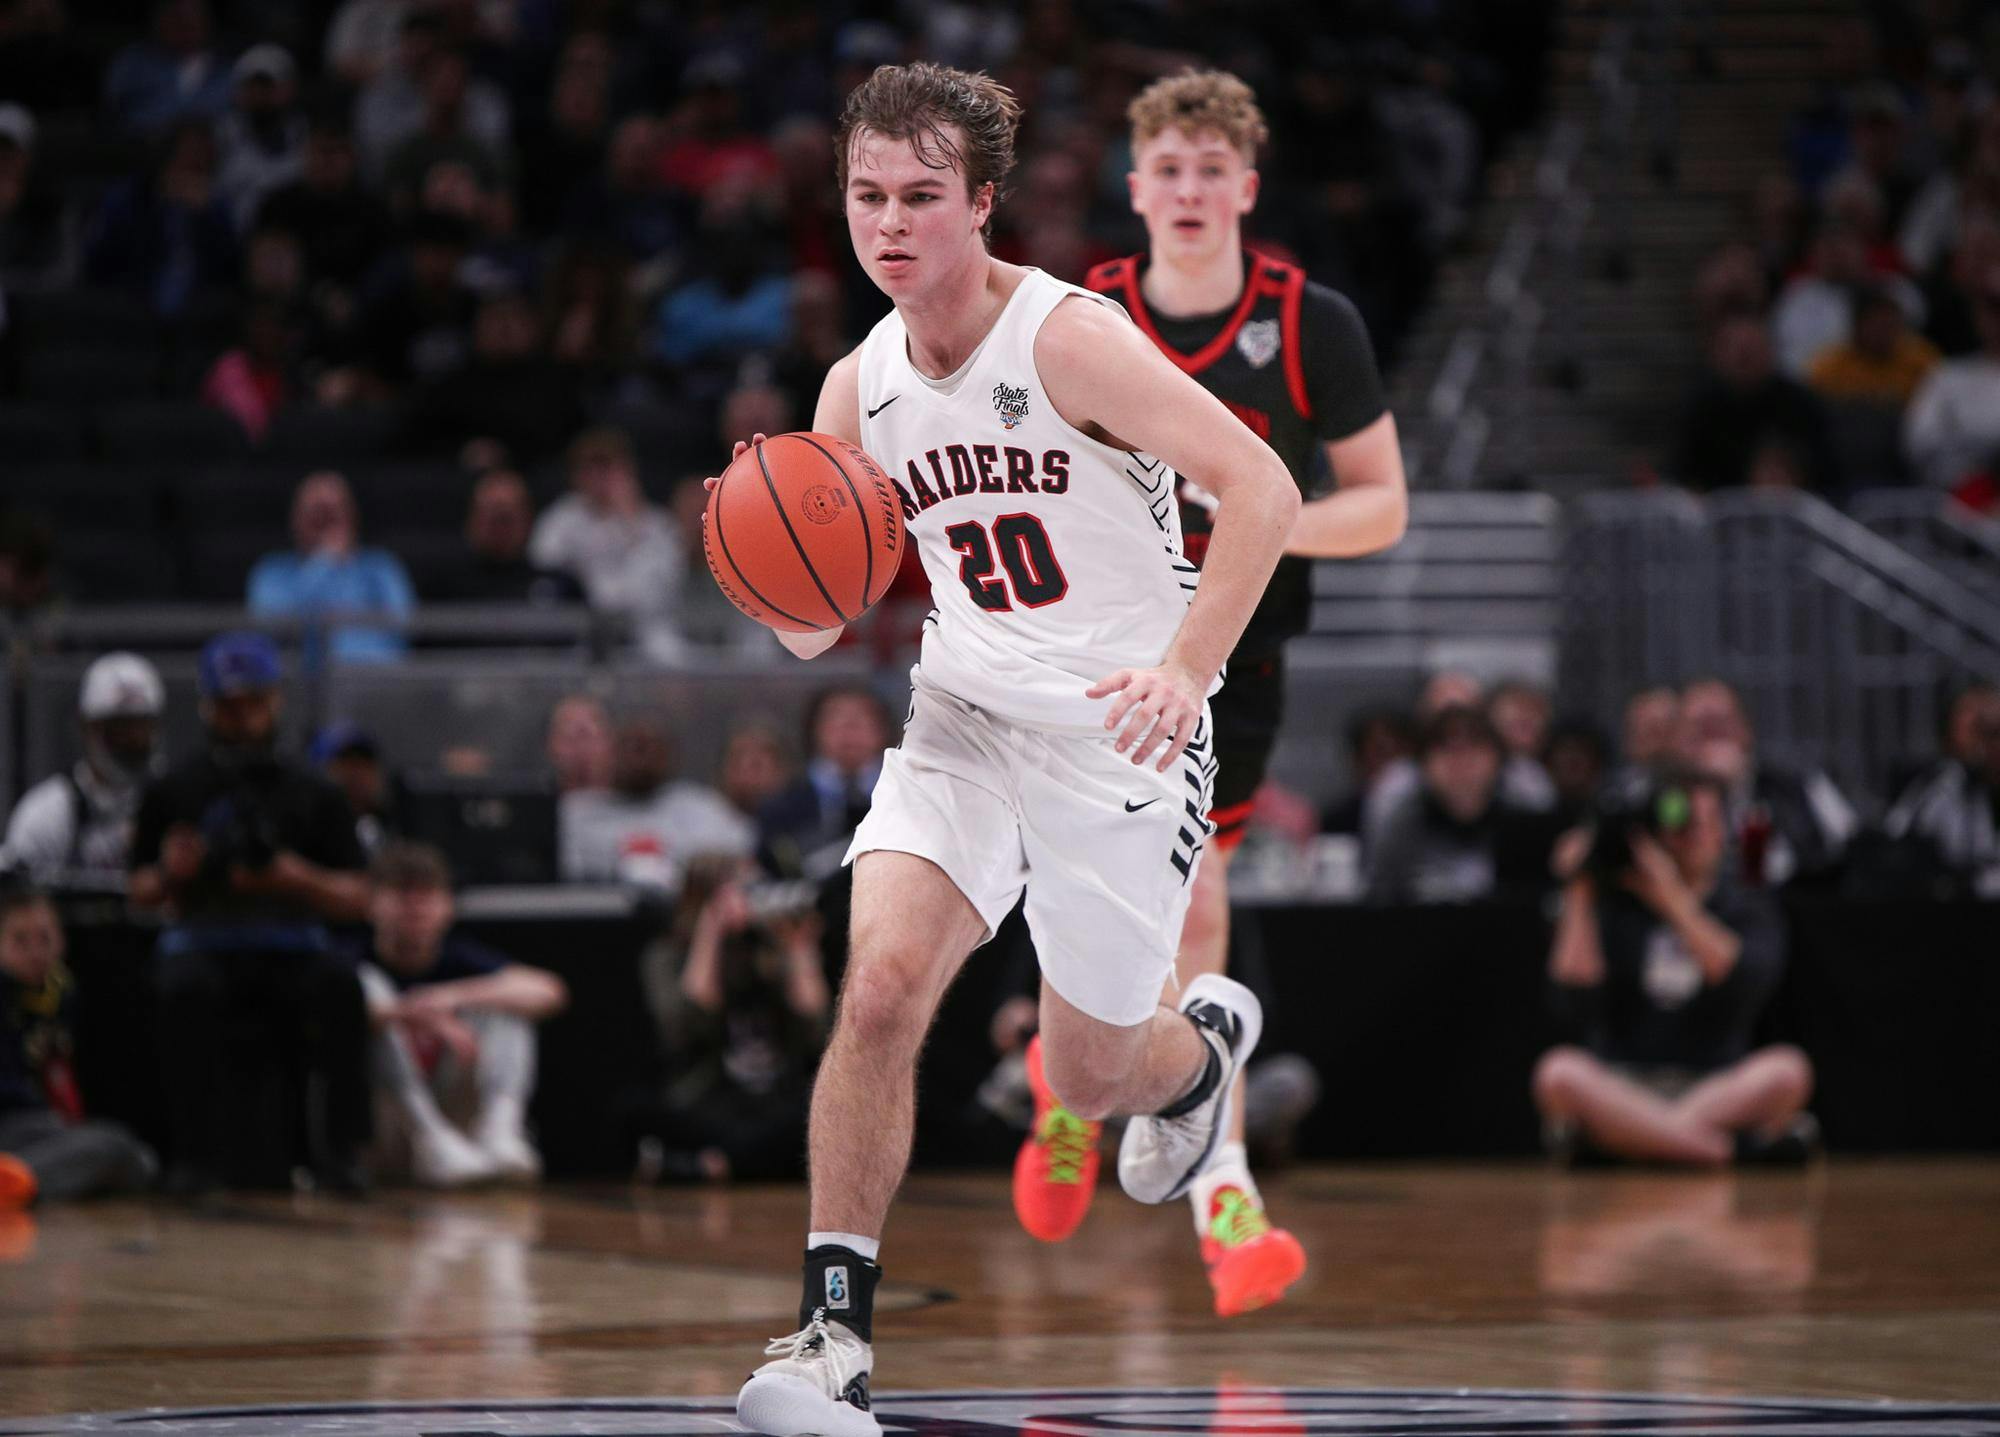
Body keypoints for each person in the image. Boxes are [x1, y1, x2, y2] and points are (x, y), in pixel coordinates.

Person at [724, 63, 1300, 1437]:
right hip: (966, 718)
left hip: (1117, 733)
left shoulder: (1069, 342)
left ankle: (1198, 1063)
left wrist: (1185, 669)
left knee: (1089, 1076)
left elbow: (1263, 487)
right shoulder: (855, 385)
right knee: (879, 990)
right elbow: (817, 628)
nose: (890, 223)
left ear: (982, 203)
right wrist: (758, 550)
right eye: (867, 196)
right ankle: (830, 1341)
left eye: (921, 195)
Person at [1000, 69, 1406, 1315]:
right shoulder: (1082, 316)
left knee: (1173, 901)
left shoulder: (1310, 323)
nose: (1186, 190)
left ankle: (1076, 1085)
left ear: (1245, 187)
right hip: (1102, 648)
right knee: (1168, 898)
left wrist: (1258, 520)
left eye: (1208, 171)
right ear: (1135, 190)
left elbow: (1381, 505)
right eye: (1166, 171)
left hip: (1243, 653)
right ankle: (1219, 1196)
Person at [128, 632, 373, 1195]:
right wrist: (171, 872)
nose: (242, 718)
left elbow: (360, 896)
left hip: (292, 942)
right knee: (179, 990)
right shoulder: (173, 787)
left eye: (253, 703)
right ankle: (191, 1159)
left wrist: (293, 878)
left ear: (276, 700)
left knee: (341, 987)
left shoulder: (316, 790)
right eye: (229, 705)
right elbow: (137, 888)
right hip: (203, 941)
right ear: (206, 707)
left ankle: (341, 1153)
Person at [1532, 768, 1818, 1167]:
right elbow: (1573, 997)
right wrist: (1579, 885)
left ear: (1723, 832)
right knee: (1558, 1073)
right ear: (1654, 831)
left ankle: (1628, 1142)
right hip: (1623, 1082)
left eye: (1705, 823)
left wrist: (1669, 898)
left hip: (1715, 1084)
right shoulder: (1615, 898)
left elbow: (1744, 981)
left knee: (1788, 1070)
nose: (1693, 835)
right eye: (1681, 823)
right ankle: (1726, 1151)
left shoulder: (1747, 902)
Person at [352, 842, 567, 1187]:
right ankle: (429, 1135)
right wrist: (415, 1014)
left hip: (456, 1122)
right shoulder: (350, 957)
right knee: (367, 991)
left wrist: (448, 998)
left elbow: (548, 991)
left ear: (448, 905)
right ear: (371, 903)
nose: (416, 907)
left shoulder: (460, 957)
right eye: (402, 894)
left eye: (427, 894)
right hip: (385, 1122)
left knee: (505, 1005)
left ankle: (501, 1132)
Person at [634, 855, 829, 1184]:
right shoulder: (666, 954)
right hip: (710, 1096)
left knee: (824, 1113)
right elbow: (688, 1023)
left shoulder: (769, 948)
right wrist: (711, 931)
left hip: (774, 1096)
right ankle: (751, 1161)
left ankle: (713, 1166)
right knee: (638, 1109)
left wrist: (799, 948)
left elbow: (816, 1030)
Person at [0, 888, 157, 1208]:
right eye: (20, 940)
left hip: (41, 1129)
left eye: (45, 939)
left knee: (137, 1159)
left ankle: (21, 1177)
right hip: (15, 1124)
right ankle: (23, 1179)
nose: (35, 952)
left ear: (62, 940)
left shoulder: (63, 994)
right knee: (114, 1149)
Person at [1364, 705, 1557, 904]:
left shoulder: (1522, 807)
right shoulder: (1401, 811)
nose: (1461, 764)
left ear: (1499, 761)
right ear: (1423, 765)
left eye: (1474, 749)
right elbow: (1380, 894)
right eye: (1446, 750)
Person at [2, 653, 164, 886]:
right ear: (87, 728)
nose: (131, 742)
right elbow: (15, 894)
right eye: (119, 729)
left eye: (139, 728)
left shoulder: (173, 802)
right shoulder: (48, 813)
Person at [1674, 678, 1856, 886]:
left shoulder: (1798, 784)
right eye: (1701, 728)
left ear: (1745, 729)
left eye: (1720, 725)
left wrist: (1741, 790)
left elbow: (1852, 850)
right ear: (1678, 738)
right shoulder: (1665, 795)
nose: (1713, 741)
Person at [527, 427, 686, 659]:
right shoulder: (559, 521)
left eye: (607, 467)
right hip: (580, 637)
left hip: (647, 636)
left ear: (628, 471)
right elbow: (546, 575)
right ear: (575, 475)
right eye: (589, 468)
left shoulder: (656, 524)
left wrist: (632, 522)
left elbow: (660, 589)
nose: (598, 478)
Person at [558, 716, 754, 891]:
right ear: (611, 753)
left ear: (669, 756)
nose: (640, 758)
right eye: (633, 747)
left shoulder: (702, 807)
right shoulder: (577, 812)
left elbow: (743, 852)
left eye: (649, 747)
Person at [248, 471, 416, 665]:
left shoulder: (380, 566)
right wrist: (323, 563)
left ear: (351, 516)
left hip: (376, 675)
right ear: (295, 518)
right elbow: (271, 627)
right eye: (316, 512)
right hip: (302, 679)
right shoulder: (271, 571)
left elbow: (405, 624)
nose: (325, 522)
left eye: (333, 512)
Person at [757, 686, 891, 879]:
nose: (849, 729)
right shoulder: (778, 805)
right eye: (836, 719)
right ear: (813, 731)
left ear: (883, 731)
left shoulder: (907, 800)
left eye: (861, 719)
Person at [1883, 682, 2000, 893]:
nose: (1988, 743)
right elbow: (1897, 838)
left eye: (1993, 731)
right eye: (1979, 729)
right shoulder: (1942, 783)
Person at [429, 469, 586, 606]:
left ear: (528, 520)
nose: (499, 528)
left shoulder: (562, 587)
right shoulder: (442, 589)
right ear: (471, 520)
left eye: (507, 517)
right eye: (492, 516)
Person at [545, 693, 614, 795]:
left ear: (609, 742)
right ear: (552, 745)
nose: (581, 748)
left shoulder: (631, 800)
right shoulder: (533, 800)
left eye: (589, 737)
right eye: (570, 738)